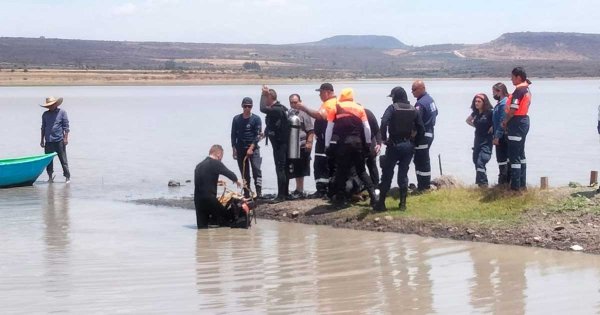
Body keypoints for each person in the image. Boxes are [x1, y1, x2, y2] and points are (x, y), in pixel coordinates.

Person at [325, 88, 377, 208]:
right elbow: (367, 128)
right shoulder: (359, 108)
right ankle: (373, 196)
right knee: (362, 171)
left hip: (343, 144)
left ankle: (340, 200)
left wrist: (327, 145)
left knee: (341, 172)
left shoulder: (335, 107)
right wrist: (368, 143)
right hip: (357, 143)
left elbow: (329, 129)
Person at [376, 86, 424, 211]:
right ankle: (402, 204)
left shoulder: (392, 108)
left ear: (395, 97)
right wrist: (414, 143)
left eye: (392, 97)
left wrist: (384, 139)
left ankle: (381, 204)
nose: (392, 99)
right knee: (403, 175)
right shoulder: (414, 109)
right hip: (408, 146)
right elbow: (421, 129)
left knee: (387, 173)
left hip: (394, 145)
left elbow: (384, 122)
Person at [290, 83, 338, 198]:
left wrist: (304, 108)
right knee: (326, 165)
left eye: (321, 93)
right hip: (326, 139)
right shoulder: (330, 103)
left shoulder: (330, 103)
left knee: (321, 165)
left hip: (325, 140)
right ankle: (327, 190)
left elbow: (320, 116)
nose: (320, 95)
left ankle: (322, 190)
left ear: (327, 92)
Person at [194, 145, 242, 229]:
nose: (221, 159)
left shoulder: (199, 166)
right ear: (219, 154)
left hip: (198, 201)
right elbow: (229, 173)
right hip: (210, 199)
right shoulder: (216, 163)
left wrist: (217, 181)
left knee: (202, 229)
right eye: (221, 157)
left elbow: (203, 181)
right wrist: (236, 180)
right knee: (228, 219)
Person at [501, 67, 532, 191]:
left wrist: (505, 121)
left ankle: (515, 188)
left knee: (514, 156)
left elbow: (513, 110)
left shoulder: (519, 91)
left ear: (518, 77)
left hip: (517, 123)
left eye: (512, 77)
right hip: (523, 121)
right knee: (520, 154)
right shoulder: (526, 89)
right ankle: (522, 185)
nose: (511, 79)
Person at [260, 85, 290, 202]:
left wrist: (263, 94)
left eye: (266, 98)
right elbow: (272, 124)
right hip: (278, 143)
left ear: (270, 97)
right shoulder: (276, 109)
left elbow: (262, 108)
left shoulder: (277, 109)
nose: (265, 101)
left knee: (280, 168)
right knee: (281, 167)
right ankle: (284, 193)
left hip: (280, 143)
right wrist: (265, 132)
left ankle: (281, 196)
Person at [231, 97, 263, 198]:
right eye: (245, 106)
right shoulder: (236, 119)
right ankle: (246, 192)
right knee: (244, 172)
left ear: (252, 107)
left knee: (256, 170)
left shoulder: (256, 119)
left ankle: (259, 193)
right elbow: (233, 135)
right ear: (242, 106)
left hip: (253, 148)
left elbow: (258, 135)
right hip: (240, 148)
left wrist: (251, 148)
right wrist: (234, 149)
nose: (247, 108)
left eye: (249, 106)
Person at [411, 80, 438, 191]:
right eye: (412, 90)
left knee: (421, 159)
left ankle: (423, 186)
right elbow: (436, 114)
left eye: (414, 90)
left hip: (422, 135)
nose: (412, 92)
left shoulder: (420, 104)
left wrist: (412, 135)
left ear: (422, 88)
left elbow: (417, 121)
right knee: (420, 159)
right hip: (430, 132)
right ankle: (422, 184)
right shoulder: (430, 100)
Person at [287, 94, 315, 199]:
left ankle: (300, 189)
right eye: (292, 102)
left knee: (301, 168)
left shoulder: (304, 114)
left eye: (296, 102)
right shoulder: (288, 114)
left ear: (300, 101)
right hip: (292, 146)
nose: (294, 104)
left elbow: (311, 130)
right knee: (294, 168)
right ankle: (297, 189)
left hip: (303, 145)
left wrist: (309, 142)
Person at [40, 96, 71, 183]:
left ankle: (67, 177)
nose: (50, 107)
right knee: (49, 161)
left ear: (55, 104)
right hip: (48, 141)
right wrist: (42, 140)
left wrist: (65, 138)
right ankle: (50, 177)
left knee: (63, 160)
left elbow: (66, 126)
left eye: (52, 105)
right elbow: (43, 128)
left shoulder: (62, 112)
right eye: (49, 105)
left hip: (59, 140)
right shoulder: (45, 114)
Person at [466, 94, 494, 187]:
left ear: (484, 102)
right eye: (475, 101)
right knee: (475, 161)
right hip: (477, 140)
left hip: (487, 141)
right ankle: (481, 185)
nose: (476, 103)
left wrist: (493, 127)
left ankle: (484, 184)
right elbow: (468, 120)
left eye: (479, 101)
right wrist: (477, 126)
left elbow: (498, 121)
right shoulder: (475, 113)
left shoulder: (490, 112)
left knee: (481, 161)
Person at [492, 83, 510, 185]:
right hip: (500, 133)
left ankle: (503, 183)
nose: (493, 95)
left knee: (502, 159)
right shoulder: (500, 103)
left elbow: (502, 121)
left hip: (502, 136)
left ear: (499, 91)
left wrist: (497, 136)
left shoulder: (504, 103)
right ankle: (504, 182)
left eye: (494, 92)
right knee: (503, 160)